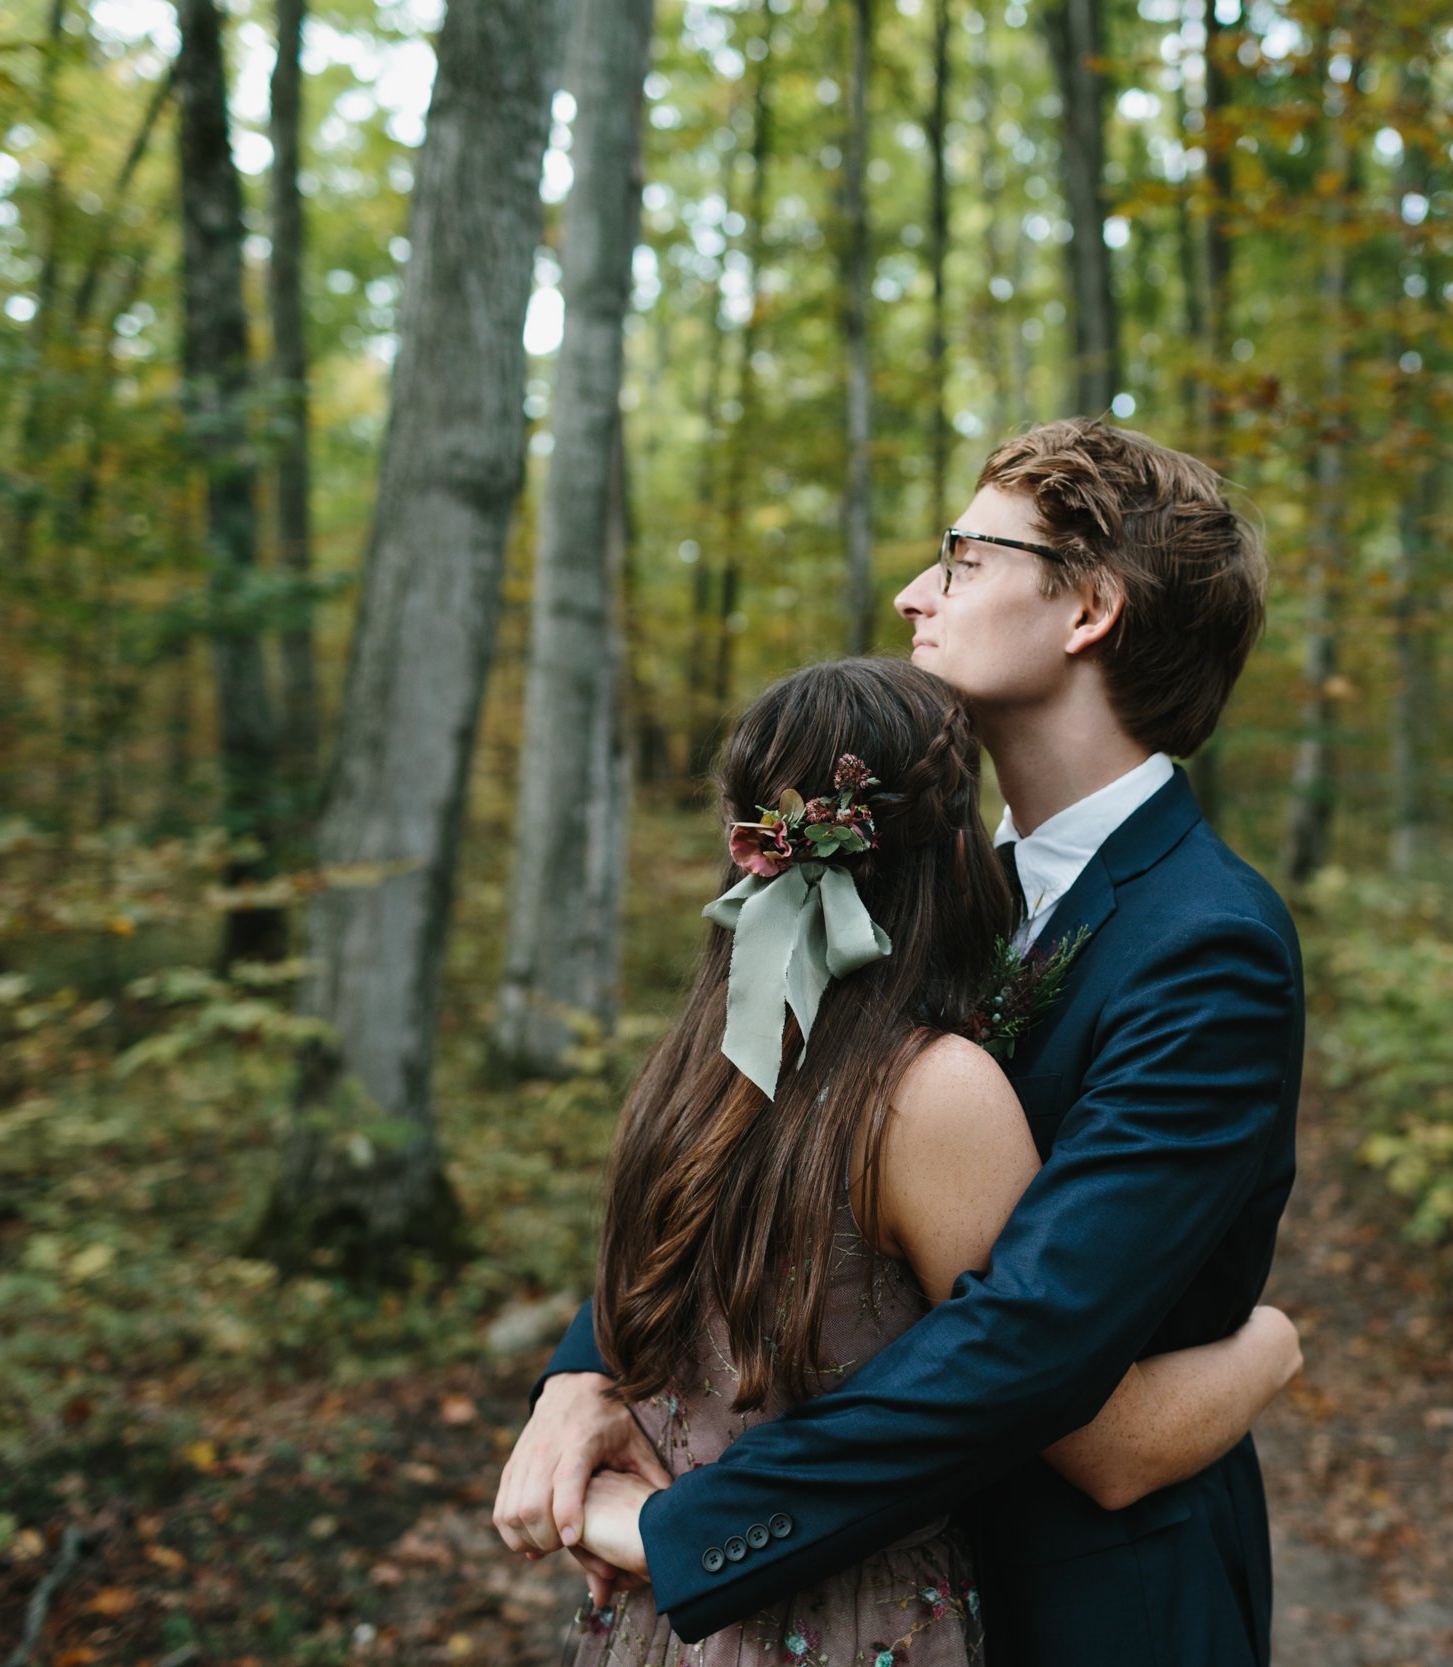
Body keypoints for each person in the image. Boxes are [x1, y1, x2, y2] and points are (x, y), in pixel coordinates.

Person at [498, 418, 1302, 1665]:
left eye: (965, 557)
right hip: (876, 1593)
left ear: (1088, 605)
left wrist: (688, 1529)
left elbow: (1027, 1339)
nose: (914, 592)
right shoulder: (923, 888)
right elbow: (733, 1132)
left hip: (1087, 1603)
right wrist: (583, 1368)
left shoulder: (1210, 941)